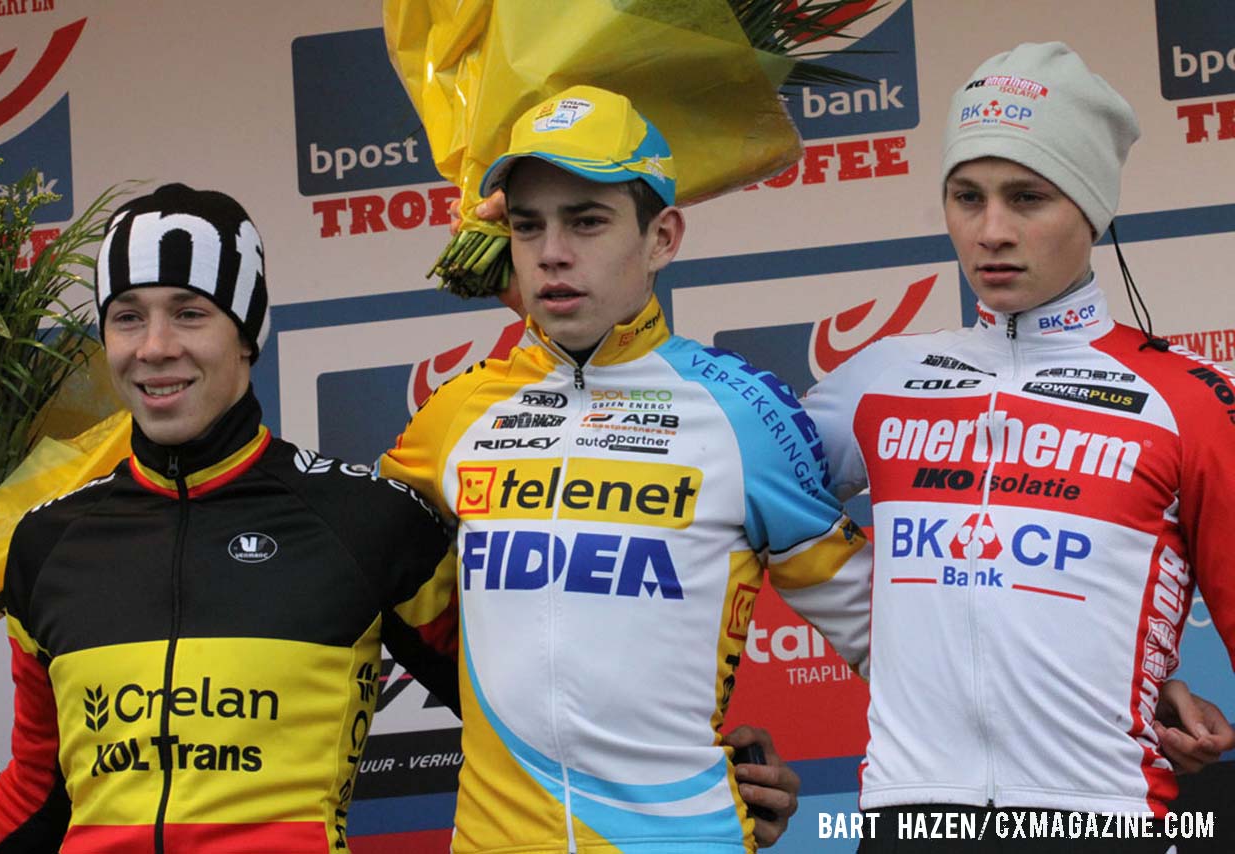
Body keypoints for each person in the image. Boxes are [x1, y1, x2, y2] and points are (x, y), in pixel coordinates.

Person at [379, 85, 873, 854]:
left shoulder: (745, 415)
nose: (551, 252)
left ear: (663, 237)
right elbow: (371, 583)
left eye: (587, 221)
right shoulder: (456, 417)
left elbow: (893, 643)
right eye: (527, 225)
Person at [802, 42, 1235, 850]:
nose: (991, 232)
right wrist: (881, 632)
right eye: (967, 196)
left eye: (1027, 197)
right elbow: (726, 494)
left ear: (1092, 207)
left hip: (1103, 817)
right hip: (909, 817)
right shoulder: (883, 376)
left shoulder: (1190, 400)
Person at [0, 184, 456, 853]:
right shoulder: (48, 543)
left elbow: (522, 724)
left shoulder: (366, 520)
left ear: (247, 337)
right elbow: (39, 789)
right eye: (127, 317)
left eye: (190, 313)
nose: (155, 347)